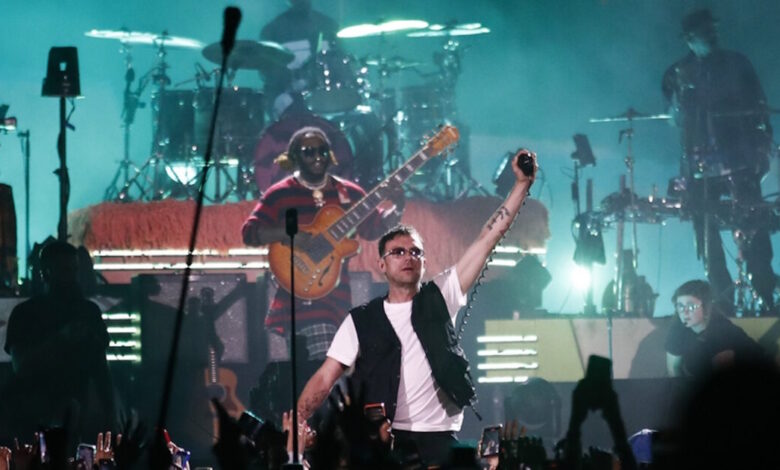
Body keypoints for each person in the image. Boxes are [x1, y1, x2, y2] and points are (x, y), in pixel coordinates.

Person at [295, 149, 537, 467]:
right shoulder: (361, 320)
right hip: (383, 442)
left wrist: (521, 185)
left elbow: (487, 238)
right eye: (398, 252)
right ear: (382, 264)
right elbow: (326, 377)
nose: (408, 257)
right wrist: (297, 422)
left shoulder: (441, 295)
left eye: (415, 252)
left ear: (423, 262)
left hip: (439, 439)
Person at [242, 126, 402, 361]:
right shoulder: (280, 194)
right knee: (327, 369)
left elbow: (373, 229)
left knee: (325, 375)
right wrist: (288, 235)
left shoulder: (349, 193)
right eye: (309, 152)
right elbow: (250, 233)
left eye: (323, 151)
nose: (317, 157)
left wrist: (398, 207)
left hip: (337, 298)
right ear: (295, 157)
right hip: (298, 302)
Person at [661, 8, 775, 313]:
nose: (712, 35)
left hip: (740, 160)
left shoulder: (737, 64)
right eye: (705, 32)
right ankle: (722, 300)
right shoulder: (676, 73)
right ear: (689, 39)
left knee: (755, 225)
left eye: (713, 30)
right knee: (706, 233)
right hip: (700, 167)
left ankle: (765, 292)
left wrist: (763, 148)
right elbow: (674, 117)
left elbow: (760, 108)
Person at [2, 241, 114, 440]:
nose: (71, 277)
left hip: (77, 416)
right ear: (46, 273)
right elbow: (22, 366)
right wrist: (62, 338)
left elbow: (100, 367)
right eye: (65, 270)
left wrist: (109, 414)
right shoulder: (26, 314)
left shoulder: (87, 311)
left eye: (74, 270)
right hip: (33, 416)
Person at [665, 279, 765, 378]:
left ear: (706, 307)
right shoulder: (678, 328)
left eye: (691, 306)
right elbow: (673, 371)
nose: (684, 312)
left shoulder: (721, 331)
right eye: (680, 306)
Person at [260, 0, 340, 119]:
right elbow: (270, 80)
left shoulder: (329, 26)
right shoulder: (272, 31)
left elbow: (341, 68)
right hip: (289, 100)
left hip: (327, 98)